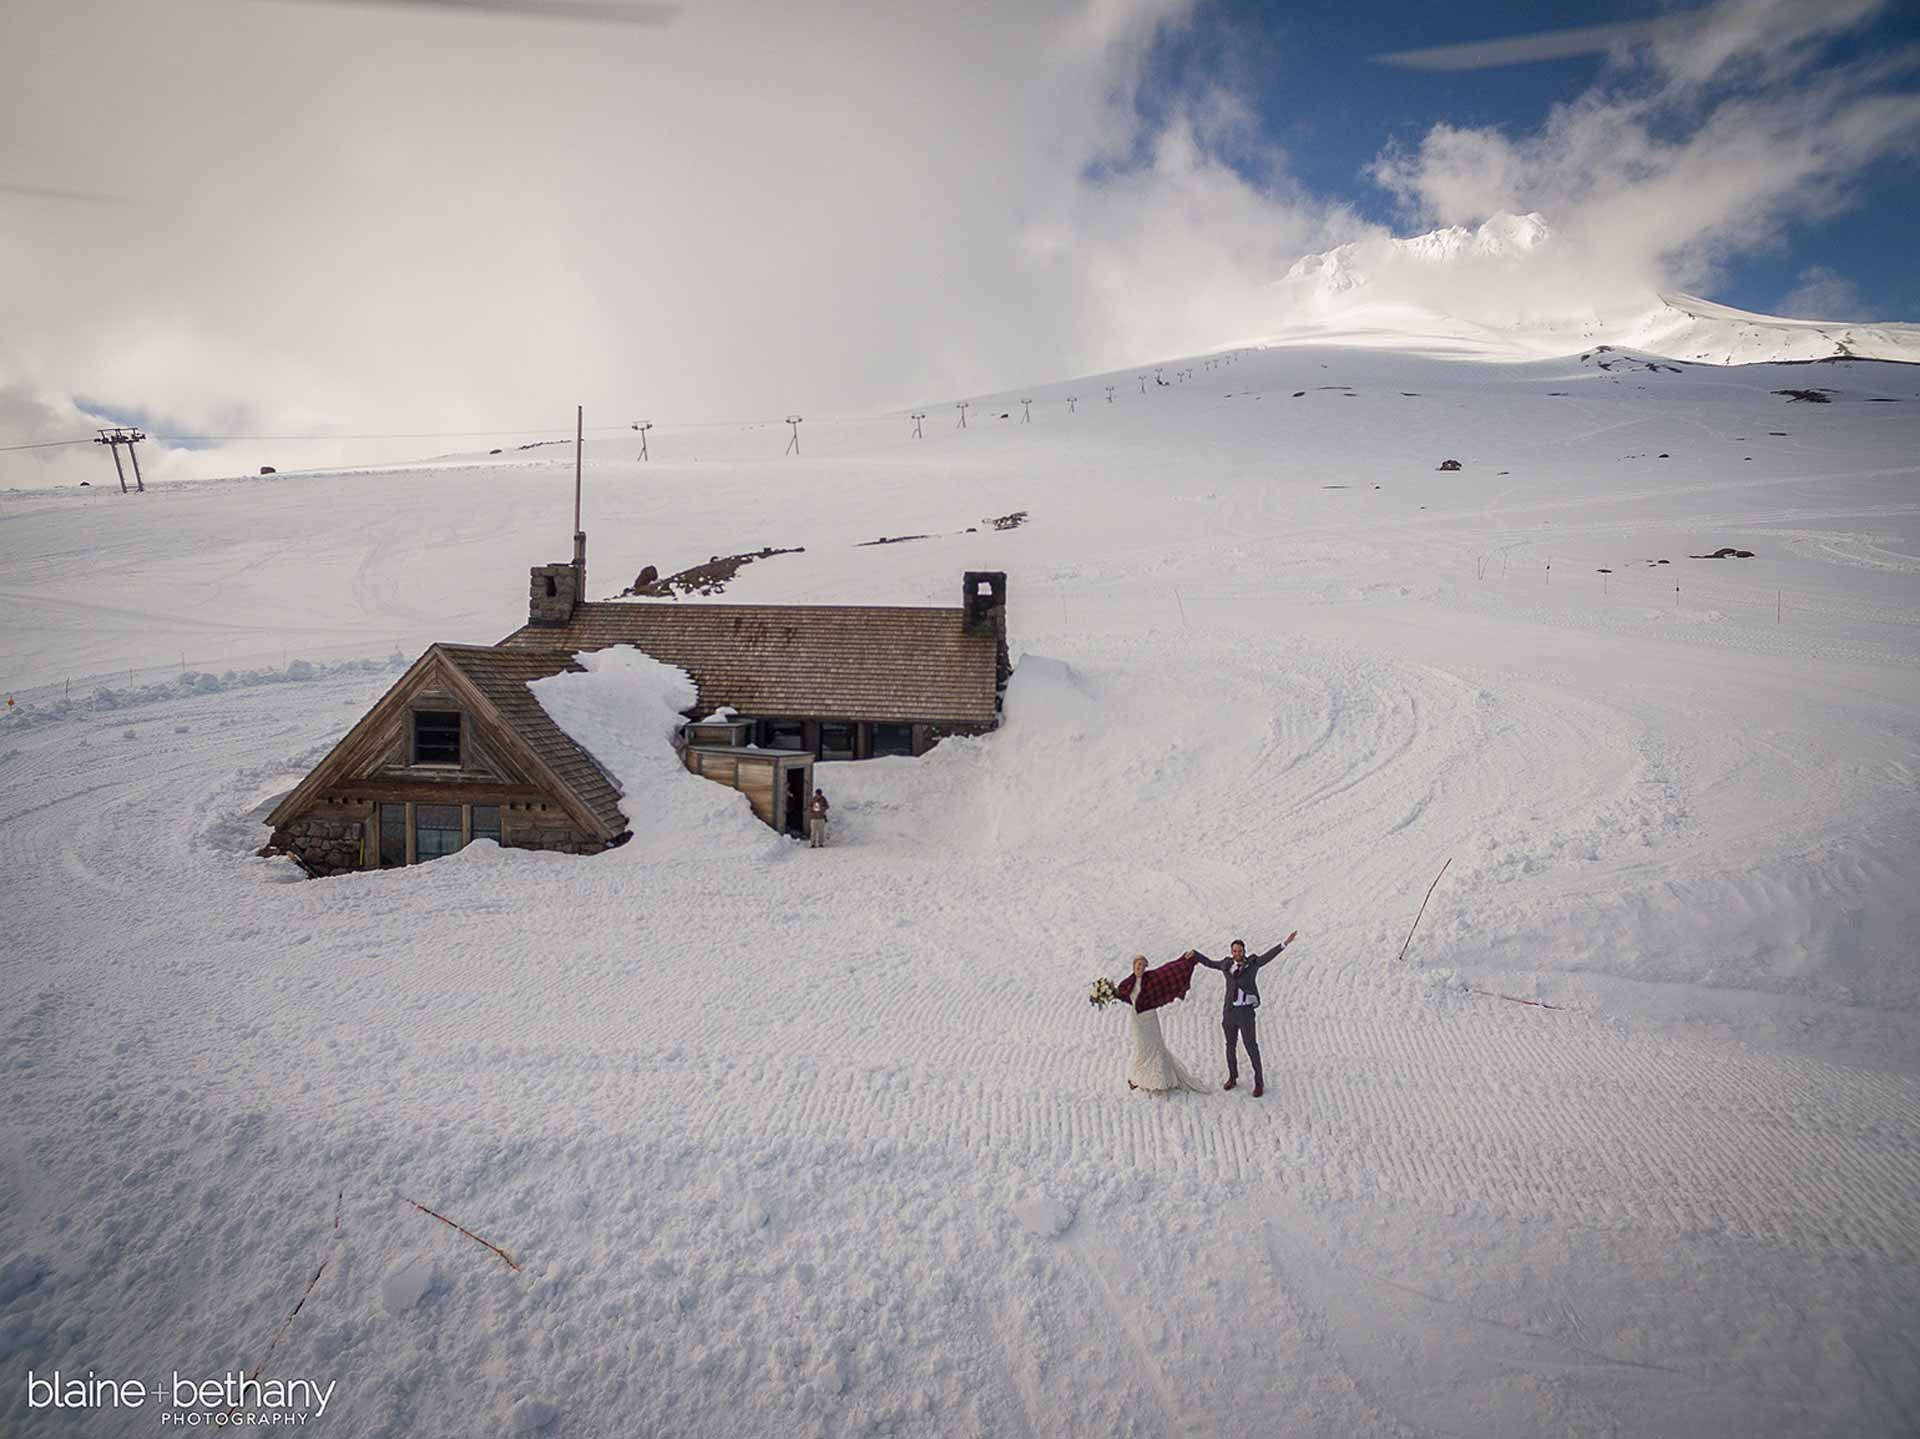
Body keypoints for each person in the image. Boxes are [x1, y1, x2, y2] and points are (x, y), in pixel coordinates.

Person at [1186, 932, 1296, 1098]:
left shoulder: (1252, 963)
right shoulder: (1226, 964)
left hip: (1245, 1012)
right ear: (1232, 952)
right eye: (1234, 951)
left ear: (1244, 951)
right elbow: (1210, 963)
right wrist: (1196, 954)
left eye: (1240, 951)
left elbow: (1267, 957)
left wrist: (1284, 944)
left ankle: (1259, 1081)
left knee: (1251, 1046)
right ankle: (1232, 1076)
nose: (1237, 954)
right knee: (1230, 1046)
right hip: (1230, 1012)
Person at [1115, 954, 1207, 1095]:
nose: (1139, 968)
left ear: (1145, 968)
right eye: (1137, 966)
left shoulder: (1151, 978)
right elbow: (1122, 994)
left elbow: (1169, 969)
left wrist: (1185, 959)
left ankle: (1160, 1079)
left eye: (1142, 966)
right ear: (1133, 966)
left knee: (1155, 1046)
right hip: (1137, 1019)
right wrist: (1107, 993)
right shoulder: (1128, 982)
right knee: (1142, 1047)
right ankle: (1139, 1077)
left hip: (1150, 1017)